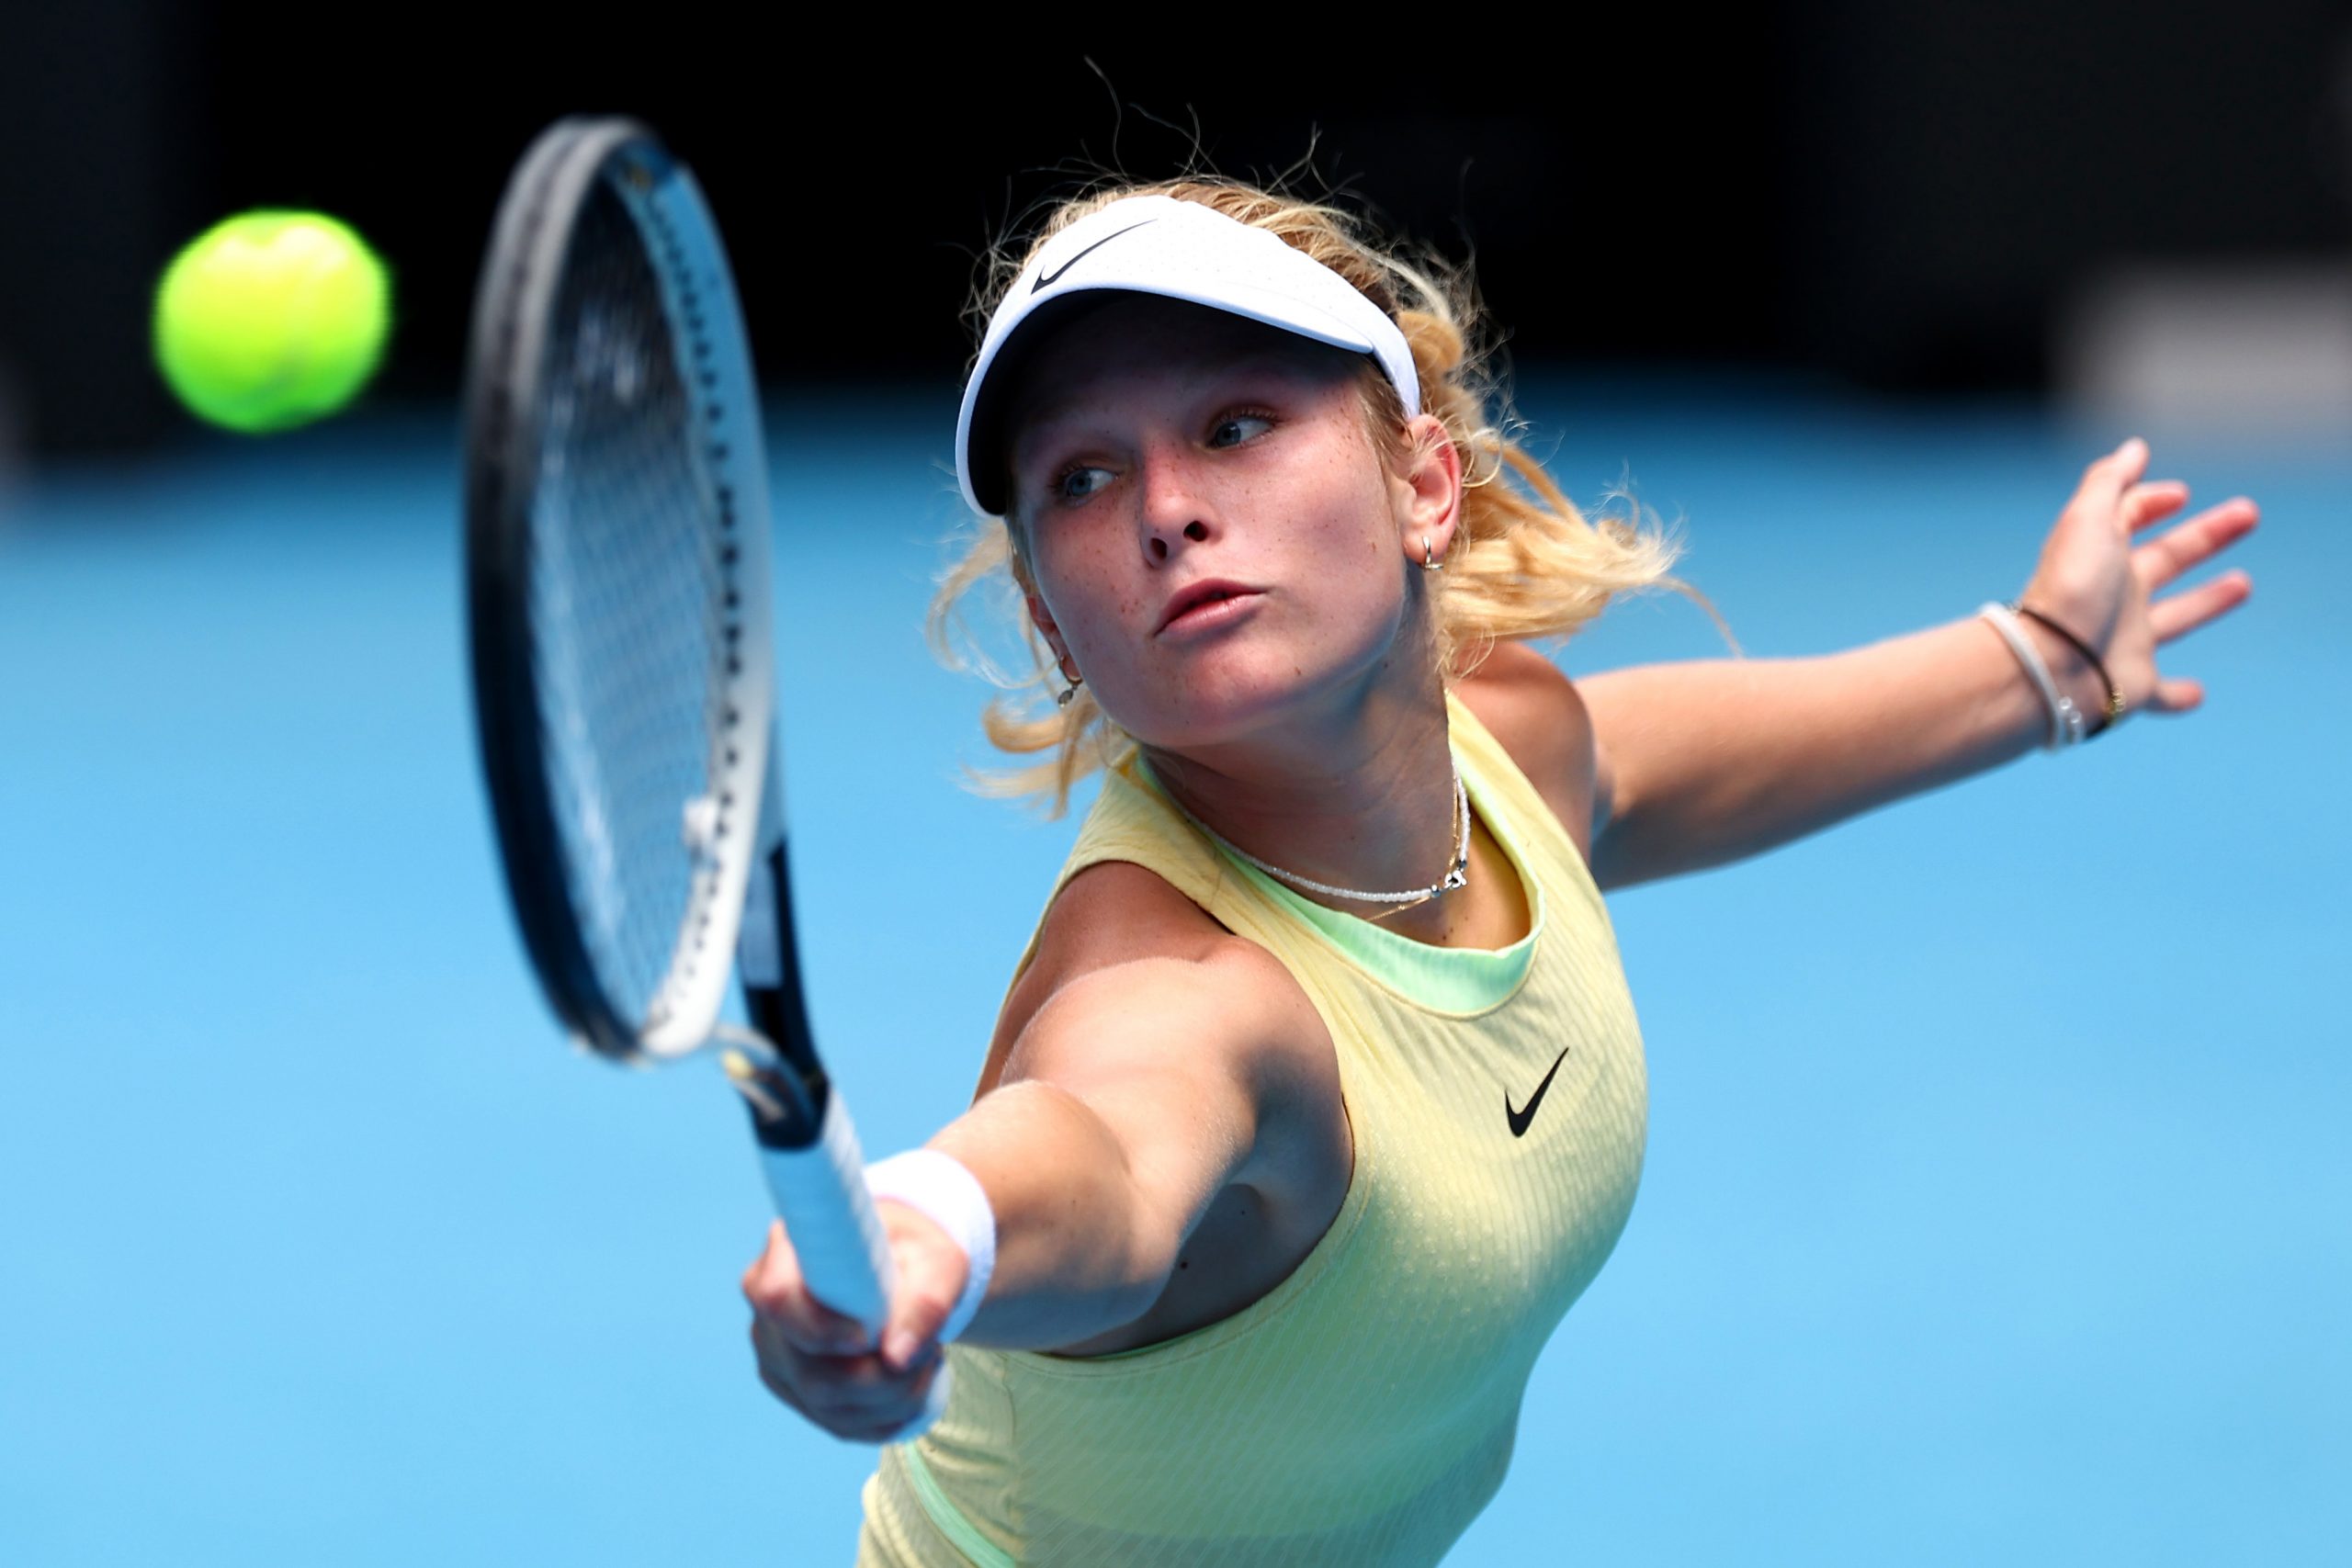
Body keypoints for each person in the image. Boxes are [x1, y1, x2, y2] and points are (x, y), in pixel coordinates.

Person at [741, 179, 2258, 1565]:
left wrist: (2048, 663)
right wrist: (937, 1223)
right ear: (1056, 630)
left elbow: (1661, 763)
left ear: (1425, 486)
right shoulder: (1188, 999)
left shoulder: (1503, 754)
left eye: (1235, 426)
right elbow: (1111, 1157)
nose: (1165, 510)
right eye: (1079, 477)